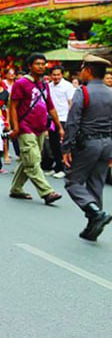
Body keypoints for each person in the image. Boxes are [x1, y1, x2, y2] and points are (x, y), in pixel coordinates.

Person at [62, 55, 112, 241]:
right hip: (107, 143)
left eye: (82, 69)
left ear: (89, 71)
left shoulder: (83, 92)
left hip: (88, 144)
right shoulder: (110, 92)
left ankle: (95, 213)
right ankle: (93, 225)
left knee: (73, 181)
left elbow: (73, 122)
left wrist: (66, 148)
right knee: (96, 183)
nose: (80, 72)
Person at [8, 53, 64, 205]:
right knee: (33, 160)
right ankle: (47, 192)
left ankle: (16, 189)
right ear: (30, 66)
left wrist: (59, 126)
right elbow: (13, 106)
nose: (41, 66)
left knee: (28, 159)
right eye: (37, 64)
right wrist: (15, 126)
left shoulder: (44, 84)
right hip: (25, 127)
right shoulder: (21, 83)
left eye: (43, 64)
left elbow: (50, 106)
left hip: (40, 127)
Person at [46, 66, 75, 178]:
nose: (56, 77)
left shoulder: (67, 86)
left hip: (64, 119)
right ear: (50, 75)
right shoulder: (49, 86)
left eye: (58, 75)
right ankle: (57, 167)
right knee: (53, 144)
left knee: (62, 145)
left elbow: (71, 102)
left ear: (62, 75)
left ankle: (64, 168)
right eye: (54, 75)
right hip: (52, 118)